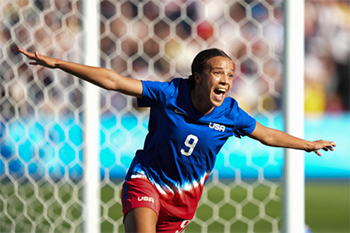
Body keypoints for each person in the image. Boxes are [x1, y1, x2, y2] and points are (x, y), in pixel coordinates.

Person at [18, 47, 336, 233]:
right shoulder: (169, 94)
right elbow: (114, 81)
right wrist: (59, 64)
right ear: (198, 76)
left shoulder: (231, 113)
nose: (226, 79)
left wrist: (308, 144)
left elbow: (266, 134)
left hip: (183, 200)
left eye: (230, 74)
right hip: (148, 179)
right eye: (218, 72)